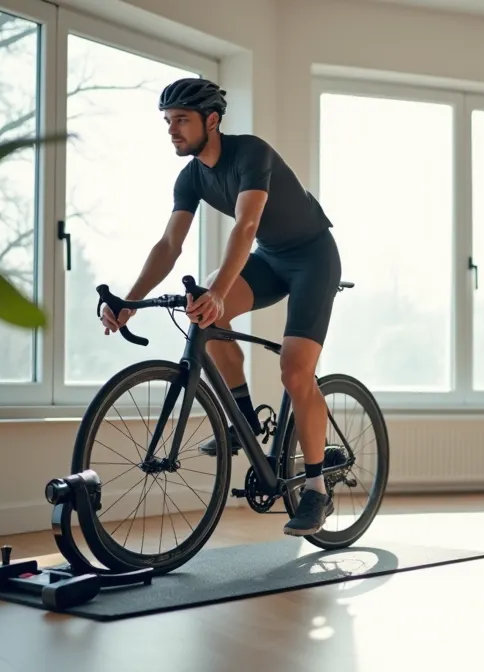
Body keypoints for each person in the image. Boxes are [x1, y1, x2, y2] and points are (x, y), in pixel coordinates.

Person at [99, 77, 340, 537]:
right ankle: (244, 420)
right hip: (272, 259)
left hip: (313, 257)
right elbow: (169, 244)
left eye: (182, 121)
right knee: (204, 305)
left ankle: (315, 490)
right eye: (168, 122)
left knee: (294, 372)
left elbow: (247, 224)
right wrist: (129, 301)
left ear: (212, 120)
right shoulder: (190, 177)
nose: (172, 130)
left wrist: (219, 291)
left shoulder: (251, 153)